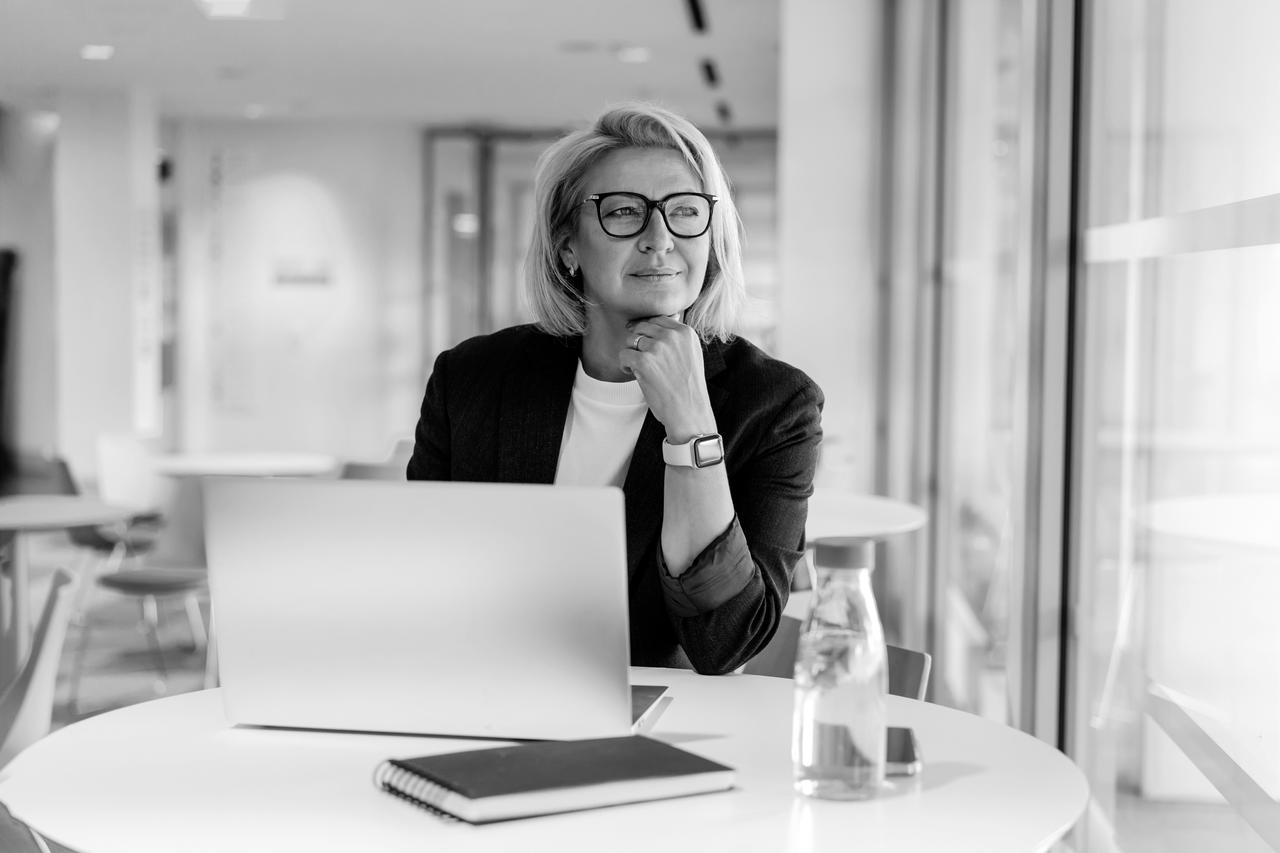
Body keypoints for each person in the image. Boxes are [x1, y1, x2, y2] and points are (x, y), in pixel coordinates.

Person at [408, 103, 823, 674]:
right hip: (482, 692)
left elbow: (725, 642)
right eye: (624, 212)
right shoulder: (472, 378)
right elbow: (419, 578)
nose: (660, 239)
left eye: (684, 212)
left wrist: (691, 427)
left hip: (664, 723)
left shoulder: (774, 405)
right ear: (567, 246)